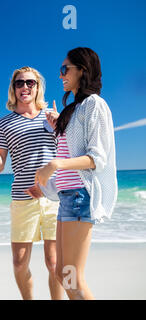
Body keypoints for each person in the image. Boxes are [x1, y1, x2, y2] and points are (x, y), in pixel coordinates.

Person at [35, 47, 117, 300]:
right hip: (68, 197)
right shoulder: (75, 108)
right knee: (63, 273)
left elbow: (96, 158)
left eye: (65, 69)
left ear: (82, 70)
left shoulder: (94, 105)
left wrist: (56, 165)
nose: (61, 75)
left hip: (81, 196)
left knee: (73, 277)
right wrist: (58, 126)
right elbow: (71, 145)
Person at [0, 66, 64, 300]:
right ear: (13, 89)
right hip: (23, 199)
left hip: (54, 199)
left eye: (30, 83)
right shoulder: (5, 123)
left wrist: (60, 128)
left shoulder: (52, 116)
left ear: (38, 88)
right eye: (19, 83)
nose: (24, 87)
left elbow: (67, 156)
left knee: (54, 262)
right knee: (19, 263)